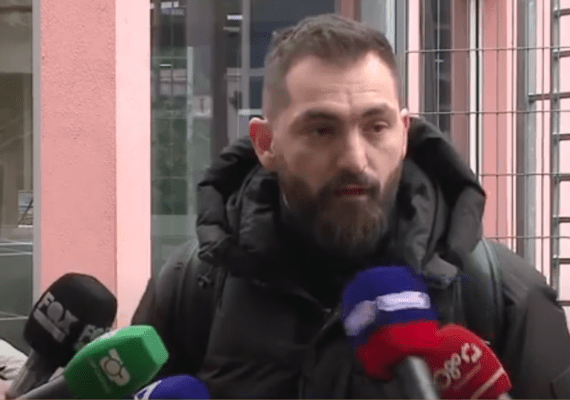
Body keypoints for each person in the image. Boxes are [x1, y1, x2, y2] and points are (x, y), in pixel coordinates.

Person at [132, 14, 570, 398]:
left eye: (376, 127)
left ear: (403, 134)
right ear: (266, 144)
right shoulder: (193, 287)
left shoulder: (503, 297)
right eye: (322, 130)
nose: (355, 160)